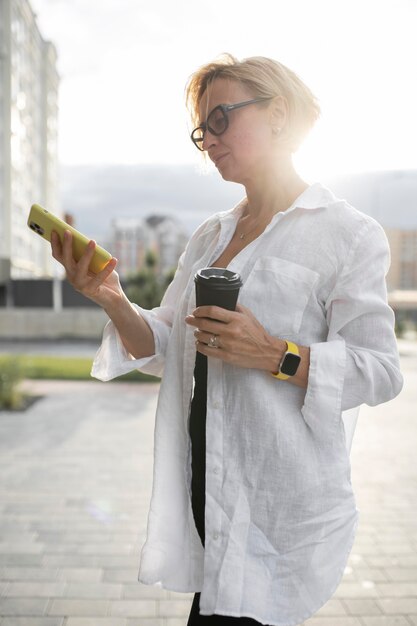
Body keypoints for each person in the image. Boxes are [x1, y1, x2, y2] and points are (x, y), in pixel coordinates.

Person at [51, 54, 403, 626]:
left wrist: (274, 353)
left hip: (278, 504)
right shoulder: (211, 235)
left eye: (220, 120)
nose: (208, 141)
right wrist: (111, 296)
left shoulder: (346, 233)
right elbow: (165, 344)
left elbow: (381, 371)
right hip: (206, 488)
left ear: (279, 115)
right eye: (200, 130)